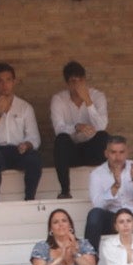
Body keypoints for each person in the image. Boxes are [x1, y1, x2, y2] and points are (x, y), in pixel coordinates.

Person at [0, 62, 41, 202]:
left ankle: (29, 199)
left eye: (8, 80)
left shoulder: (25, 107)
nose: (4, 85)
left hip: (18, 150)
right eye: (0, 81)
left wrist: (27, 145)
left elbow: (35, 138)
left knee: (35, 158)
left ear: (14, 82)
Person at [51, 59, 110, 199]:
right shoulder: (58, 99)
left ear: (85, 80)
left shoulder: (97, 96)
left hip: (92, 150)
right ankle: (65, 190)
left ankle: (108, 188)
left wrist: (88, 101)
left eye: (80, 80)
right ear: (67, 83)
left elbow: (102, 125)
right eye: (73, 81)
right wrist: (77, 127)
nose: (77, 85)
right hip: (71, 152)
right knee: (61, 140)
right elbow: (58, 128)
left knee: (104, 137)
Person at [85, 135, 133, 246]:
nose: (118, 157)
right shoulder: (97, 174)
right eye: (113, 152)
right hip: (112, 220)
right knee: (94, 215)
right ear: (106, 153)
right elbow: (97, 204)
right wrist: (115, 187)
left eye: (121, 152)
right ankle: (89, 258)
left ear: (127, 153)